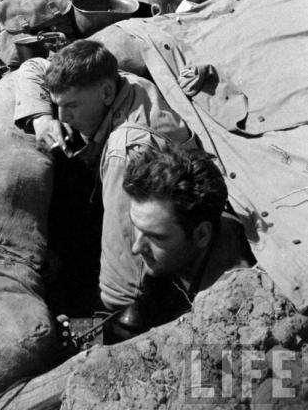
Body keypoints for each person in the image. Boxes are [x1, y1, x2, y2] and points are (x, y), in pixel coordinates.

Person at [14, 39, 196, 312]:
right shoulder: (110, 82)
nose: (63, 117)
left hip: (177, 223)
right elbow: (33, 66)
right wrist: (42, 119)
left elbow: (125, 280)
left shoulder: (127, 151)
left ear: (107, 93)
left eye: (72, 106)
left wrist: (113, 309)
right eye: (58, 105)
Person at [104, 141, 255, 343]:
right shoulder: (181, 247)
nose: (136, 247)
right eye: (137, 227)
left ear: (201, 235)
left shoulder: (238, 302)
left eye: (156, 237)